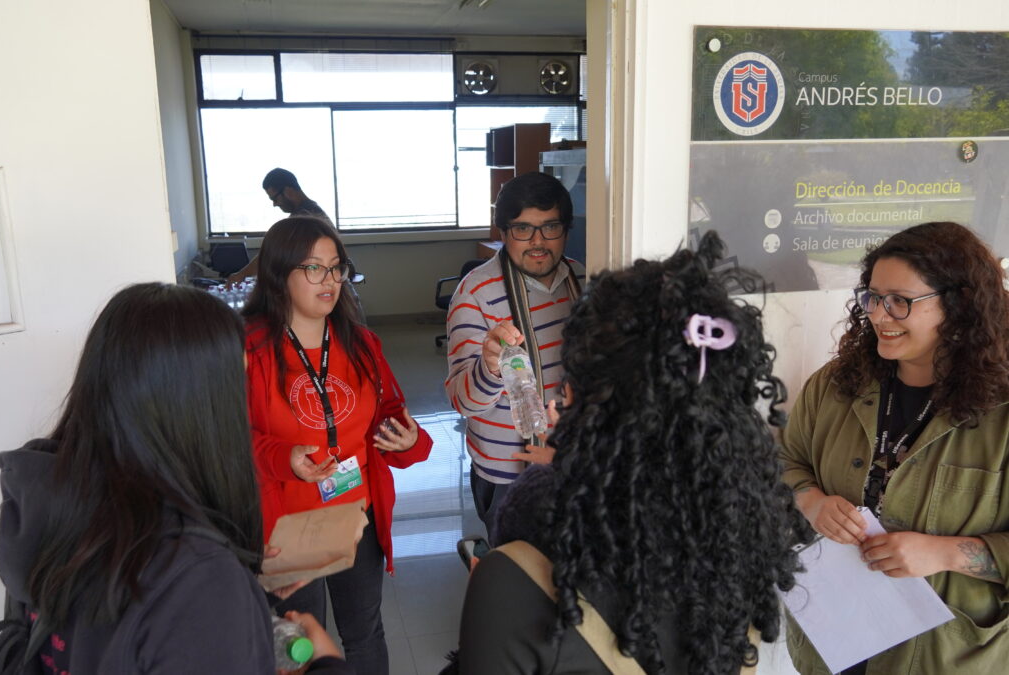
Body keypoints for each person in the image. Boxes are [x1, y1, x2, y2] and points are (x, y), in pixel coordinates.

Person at [453, 231, 810, 674]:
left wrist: (491, 605)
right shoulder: (739, 550)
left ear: (579, 400)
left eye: (567, 387)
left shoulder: (515, 580)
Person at [0, 283, 349, 674]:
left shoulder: (50, 510)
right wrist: (326, 665)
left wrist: (244, 595)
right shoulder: (198, 581)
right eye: (235, 387)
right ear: (198, 408)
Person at [780, 221, 1009, 674]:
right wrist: (811, 501)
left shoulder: (1001, 412)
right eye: (873, 297)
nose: (879, 316)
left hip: (941, 657)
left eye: (900, 301)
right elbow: (785, 463)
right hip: (831, 641)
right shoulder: (834, 385)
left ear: (960, 305)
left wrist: (945, 554)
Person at [243, 216, 432, 675]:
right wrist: (283, 456)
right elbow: (226, 439)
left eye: (336, 267)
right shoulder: (248, 348)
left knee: (365, 632)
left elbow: (391, 412)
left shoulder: (361, 342)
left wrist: (405, 438)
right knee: (297, 641)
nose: (329, 280)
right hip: (286, 527)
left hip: (356, 516)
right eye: (313, 268)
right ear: (279, 274)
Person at [445, 171, 584, 539]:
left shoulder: (582, 280)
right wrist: (490, 367)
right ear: (504, 232)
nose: (537, 241)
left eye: (550, 227)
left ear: (566, 230)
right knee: (517, 567)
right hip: (508, 473)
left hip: (576, 462)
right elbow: (463, 401)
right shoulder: (474, 293)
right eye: (523, 229)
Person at [228, 168, 331, 284]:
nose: (274, 204)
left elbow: (272, 253)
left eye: (274, 198)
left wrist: (241, 275)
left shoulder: (305, 218)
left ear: (288, 191)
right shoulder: (310, 211)